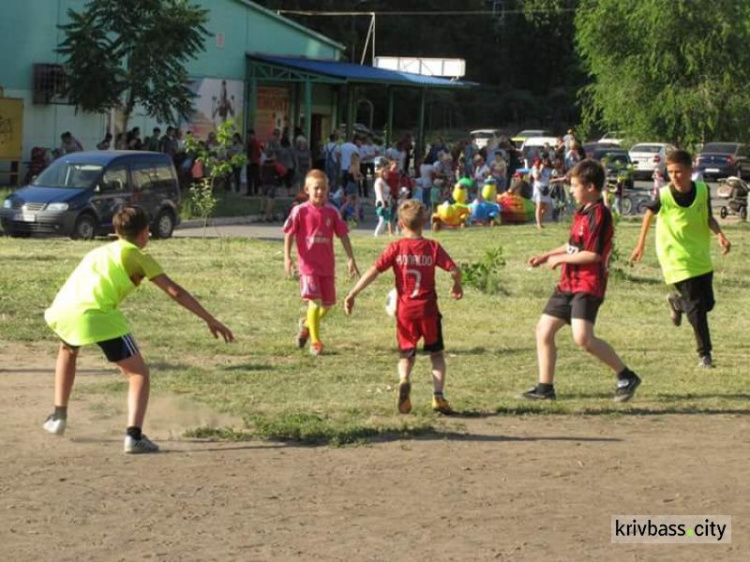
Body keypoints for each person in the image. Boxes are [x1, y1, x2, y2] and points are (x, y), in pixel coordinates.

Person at [42, 206, 234, 453]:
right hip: (98, 314)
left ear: (115, 230)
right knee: (138, 374)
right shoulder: (138, 256)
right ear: (145, 233)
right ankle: (134, 436)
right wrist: (210, 319)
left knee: (67, 351)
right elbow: (175, 291)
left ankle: (58, 416)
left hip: (65, 309)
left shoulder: (98, 252)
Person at [523, 159, 641, 402]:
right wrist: (547, 255)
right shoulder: (582, 213)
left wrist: (561, 259)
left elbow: (593, 254)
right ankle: (545, 388)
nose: (572, 190)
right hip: (568, 283)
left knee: (583, 339)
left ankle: (626, 375)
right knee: (543, 331)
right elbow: (574, 246)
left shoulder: (601, 215)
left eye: (575, 186)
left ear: (590, 187)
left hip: (588, 284)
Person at [344, 199, 463, 415]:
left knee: (406, 356)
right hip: (428, 309)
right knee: (436, 355)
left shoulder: (396, 248)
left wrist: (353, 293)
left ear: (400, 223)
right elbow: (454, 270)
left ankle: (404, 379)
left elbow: (374, 271)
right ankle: (438, 397)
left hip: (405, 311)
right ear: (425, 222)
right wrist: (457, 284)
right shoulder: (432, 247)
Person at [629, 149, 731, 368]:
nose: (674, 176)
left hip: (699, 255)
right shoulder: (664, 194)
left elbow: (708, 218)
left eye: (678, 172)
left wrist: (720, 235)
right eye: (671, 172)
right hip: (674, 257)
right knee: (696, 307)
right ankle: (705, 355)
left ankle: (677, 303)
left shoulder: (702, 190)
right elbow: (649, 214)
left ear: (690, 171)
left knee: (707, 304)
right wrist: (641, 244)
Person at [283, 170, 360, 356]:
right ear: (307, 190)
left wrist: (351, 258)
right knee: (315, 302)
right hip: (308, 267)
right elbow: (289, 233)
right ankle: (315, 343)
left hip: (327, 266)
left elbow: (343, 235)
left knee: (327, 304)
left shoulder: (332, 211)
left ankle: (307, 326)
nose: (320, 192)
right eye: (316, 188)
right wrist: (287, 257)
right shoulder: (300, 211)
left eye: (323, 189)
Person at [531, 156, 553, 229]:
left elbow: (550, 178)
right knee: (539, 206)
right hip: (538, 188)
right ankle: (538, 224)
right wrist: (540, 169)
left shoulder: (548, 169)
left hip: (546, 188)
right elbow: (537, 177)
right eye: (544, 160)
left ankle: (541, 221)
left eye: (547, 160)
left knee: (544, 207)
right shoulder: (535, 168)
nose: (546, 162)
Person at [373, 158, 393, 237]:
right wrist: (382, 202)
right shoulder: (379, 181)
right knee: (382, 220)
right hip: (381, 202)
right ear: (382, 172)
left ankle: (380, 234)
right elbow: (379, 192)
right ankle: (376, 234)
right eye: (386, 172)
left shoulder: (384, 181)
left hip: (386, 201)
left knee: (384, 220)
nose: (387, 174)